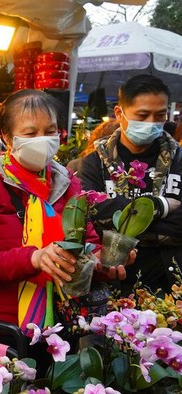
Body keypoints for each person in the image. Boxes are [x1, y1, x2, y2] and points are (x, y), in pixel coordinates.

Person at [0, 90, 127, 366]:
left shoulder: (67, 182)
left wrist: (103, 261)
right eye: (30, 133)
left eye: (50, 131)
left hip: (61, 328)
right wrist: (34, 258)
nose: (43, 140)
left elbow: (88, 240)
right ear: (8, 137)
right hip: (5, 330)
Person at [79, 74, 182, 295]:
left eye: (160, 115)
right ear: (120, 113)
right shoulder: (95, 163)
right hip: (115, 284)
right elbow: (90, 214)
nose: (152, 123)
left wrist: (121, 221)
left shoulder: (179, 160)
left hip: (172, 283)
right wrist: (160, 206)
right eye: (143, 115)